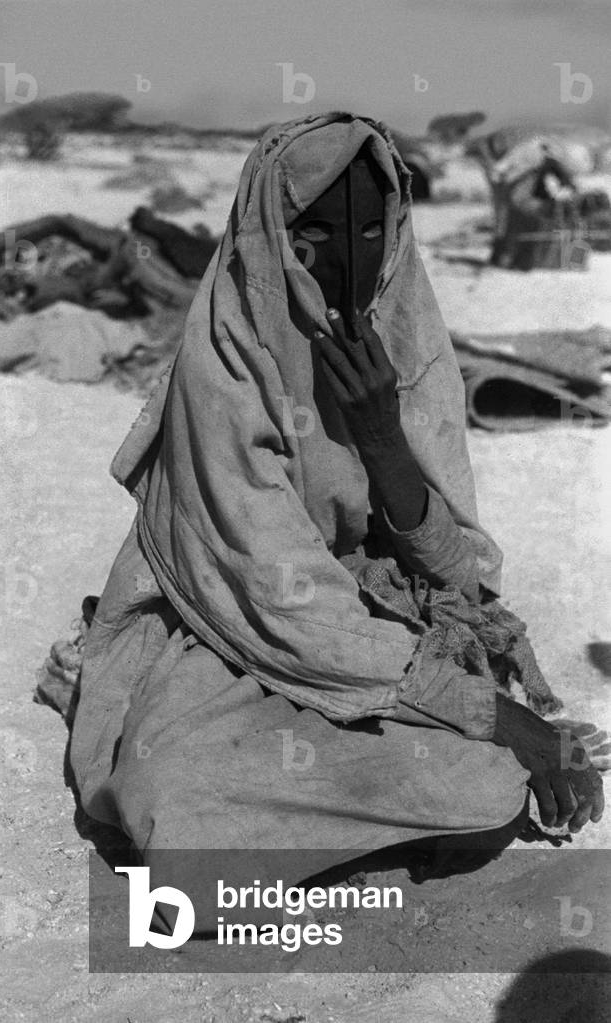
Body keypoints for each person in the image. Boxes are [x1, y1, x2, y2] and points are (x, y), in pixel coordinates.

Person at [69, 112, 603, 933]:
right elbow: (270, 591)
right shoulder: (227, 358)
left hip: (375, 626)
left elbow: (461, 576)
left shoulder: (408, 338)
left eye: (370, 229)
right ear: (272, 235)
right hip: (226, 624)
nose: (350, 258)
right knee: (172, 802)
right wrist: (495, 714)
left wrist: (384, 438)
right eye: (314, 233)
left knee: (483, 783)